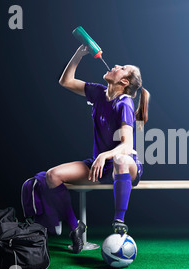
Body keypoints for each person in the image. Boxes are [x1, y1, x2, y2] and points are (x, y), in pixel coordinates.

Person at [45, 44, 149, 253]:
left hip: (126, 166)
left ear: (124, 81)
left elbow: (127, 146)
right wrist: (79, 54)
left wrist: (105, 155)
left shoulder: (125, 103)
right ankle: (75, 228)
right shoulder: (99, 93)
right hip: (99, 166)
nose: (116, 65)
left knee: (120, 160)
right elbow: (65, 81)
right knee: (52, 176)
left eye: (122, 67)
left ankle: (119, 220)